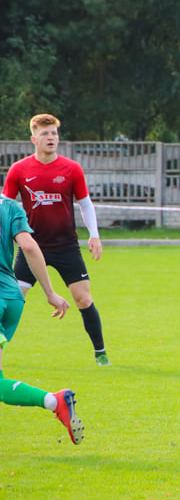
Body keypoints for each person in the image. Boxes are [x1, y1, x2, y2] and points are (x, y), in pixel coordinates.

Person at [2, 114, 111, 366]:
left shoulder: (71, 168)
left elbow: (85, 203)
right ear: (34, 139)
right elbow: (5, 206)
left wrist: (94, 234)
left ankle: (100, 352)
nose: (51, 138)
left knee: (83, 298)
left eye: (53, 133)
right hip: (32, 248)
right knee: (12, 298)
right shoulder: (19, 169)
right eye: (45, 134)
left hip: (66, 247)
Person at [0, 196, 83, 444]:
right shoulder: (10, 206)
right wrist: (49, 292)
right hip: (12, 297)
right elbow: (29, 246)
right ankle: (54, 401)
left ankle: (54, 400)